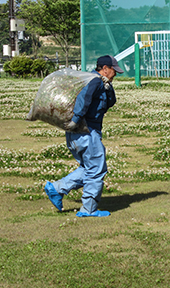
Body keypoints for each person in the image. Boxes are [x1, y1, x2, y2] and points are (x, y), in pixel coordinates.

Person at [44, 55, 124, 217]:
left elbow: (111, 102)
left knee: (88, 168)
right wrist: (76, 120)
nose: (115, 74)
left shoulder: (100, 83)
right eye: (114, 71)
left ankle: (57, 189)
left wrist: (108, 87)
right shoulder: (94, 81)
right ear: (105, 69)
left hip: (76, 133)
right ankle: (89, 209)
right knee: (96, 170)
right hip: (86, 131)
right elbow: (83, 99)